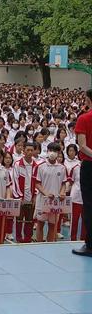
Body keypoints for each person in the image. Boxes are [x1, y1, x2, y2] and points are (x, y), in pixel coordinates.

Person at [34, 142, 67, 243]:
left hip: (55, 202)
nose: (53, 153)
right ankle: (39, 246)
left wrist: (62, 193)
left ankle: (50, 246)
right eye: (51, 150)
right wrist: (46, 193)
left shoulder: (62, 168)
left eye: (55, 151)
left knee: (52, 225)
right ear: (47, 151)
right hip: (43, 201)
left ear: (58, 153)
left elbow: (63, 183)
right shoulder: (41, 166)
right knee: (40, 224)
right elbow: (37, 183)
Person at [73, 89, 92, 257]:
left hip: (89, 165)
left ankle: (90, 245)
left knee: (89, 204)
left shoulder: (84, 118)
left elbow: (83, 145)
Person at [13, 142, 38, 243]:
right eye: (28, 150)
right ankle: (19, 238)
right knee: (19, 219)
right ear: (23, 151)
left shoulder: (36, 165)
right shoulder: (18, 164)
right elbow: (15, 181)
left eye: (32, 150)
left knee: (30, 220)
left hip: (31, 197)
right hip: (20, 198)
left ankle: (28, 238)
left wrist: (34, 196)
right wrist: (20, 197)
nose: (30, 152)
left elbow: (37, 181)